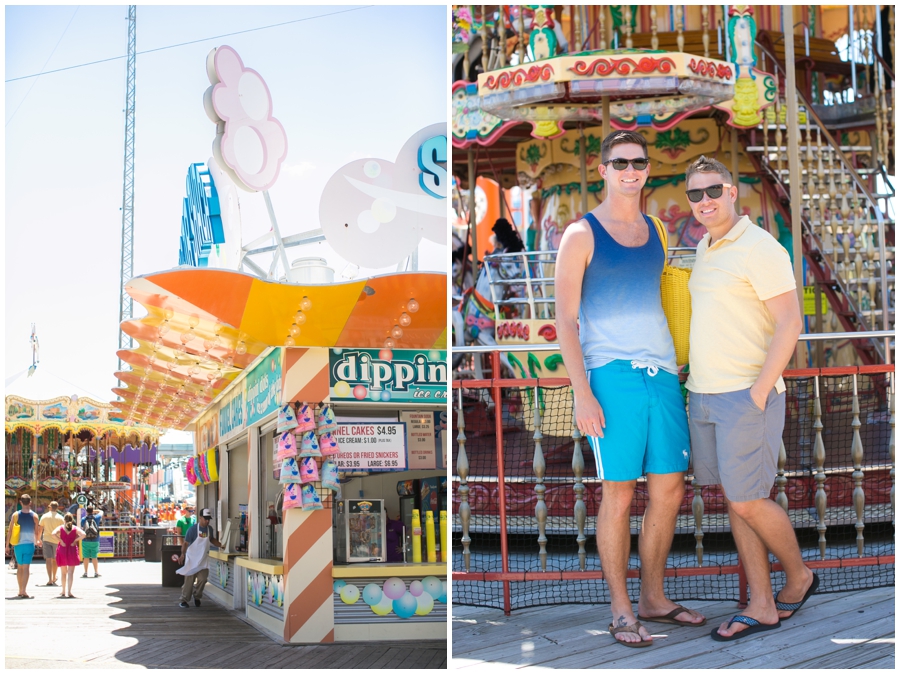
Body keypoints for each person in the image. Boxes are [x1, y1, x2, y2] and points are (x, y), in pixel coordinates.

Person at [555, 131, 705, 648]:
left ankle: (653, 598)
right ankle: (620, 609)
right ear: (603, 168)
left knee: (669, 489)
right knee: (618, 496)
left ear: (647, 167)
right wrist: (582, 392)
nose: (630, 169)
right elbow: (564, 320)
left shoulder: (658, 231)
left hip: (662, 375)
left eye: (639, 161)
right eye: (620, 161)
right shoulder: (581, 234)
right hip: (611, 376)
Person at [682, 155, 817, 641]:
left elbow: (790, 323)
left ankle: (798, 576)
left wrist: (760, 390)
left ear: (732, 190)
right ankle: (760, 602)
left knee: (749, 500)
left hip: (745, 394)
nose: (704, 201)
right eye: (695, 194)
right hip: (704, 393)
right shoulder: (704, 247)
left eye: (713, 190)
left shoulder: (760, 248)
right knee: (736, 502)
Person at [177, 508, 222, 608]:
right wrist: (182, 554)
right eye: (205, 519)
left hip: (203, 560)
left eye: (208, 519)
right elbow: (185, 543)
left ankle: (197, 596)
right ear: (200, 518)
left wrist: (221, 545)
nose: (207, 521)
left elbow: (212, 539)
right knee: (189, 581)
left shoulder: (209, 529)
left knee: (203, 579)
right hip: (192, 560)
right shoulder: (192, 530)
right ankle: (184, 600)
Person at [4, 494, 42, 598]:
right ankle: (23, 590)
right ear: (30, 502)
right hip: (29, 544)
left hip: (18, 545)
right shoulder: (34, 516)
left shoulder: (15, 515)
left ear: (21, 502)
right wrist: (38, 541)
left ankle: (20, 590)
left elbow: (10, 531)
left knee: (19, 568)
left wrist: (7, 546)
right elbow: (36, 532)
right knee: (26, 568)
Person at [53, 513, 85, 599]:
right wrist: (75, 540)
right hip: (72, 549)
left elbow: (53, 533)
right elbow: (84, 534)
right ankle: (69, 591)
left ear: (64, 520)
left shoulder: (60, 527)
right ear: (72, 520)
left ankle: (63, 591)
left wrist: (60, 540)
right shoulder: (75, 528)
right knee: (71, 572)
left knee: (63, 573)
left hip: (62, 549)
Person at [39, 500, 66, 587]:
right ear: (57, 508)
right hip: (56, 540)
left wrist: (39, 539)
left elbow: (40, 528)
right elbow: (63, 531)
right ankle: (54, 577)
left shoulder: (44, 516)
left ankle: (50, 579)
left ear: (50, 507)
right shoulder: (61, 518)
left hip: (47, 539)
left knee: (48, 560)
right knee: (55, 560)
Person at [80, 505, 102, 578]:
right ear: (92, 511)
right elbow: (101, 511)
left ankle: (85, 572)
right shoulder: (97, 518)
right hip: (95, 540)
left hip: (85, 540)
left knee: (86, 557)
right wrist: (95, 511)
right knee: (94, 557)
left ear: (86, 511)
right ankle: (96, 572)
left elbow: (82, 527)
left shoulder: (83, 519)